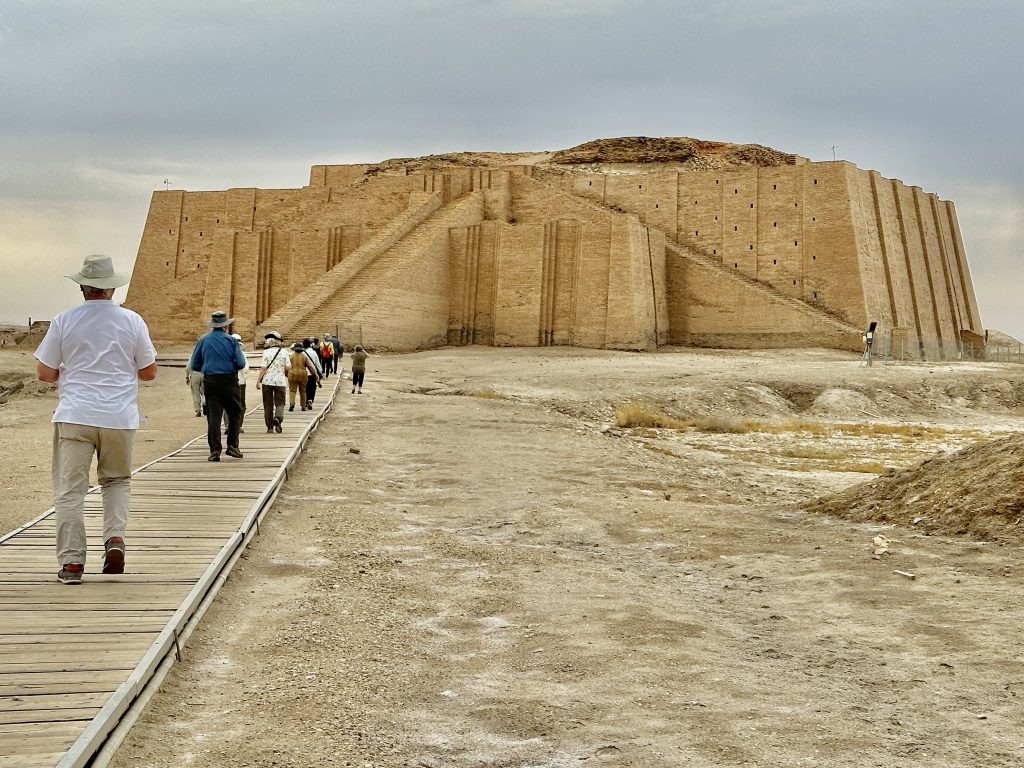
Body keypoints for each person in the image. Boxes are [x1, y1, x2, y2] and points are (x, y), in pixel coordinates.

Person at [34, 254, 158, 584]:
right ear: (111, 289)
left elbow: (45, 373)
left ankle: (72, 563)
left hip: (75, 414)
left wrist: (71, 372)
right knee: (117, 481)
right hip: (118, 416)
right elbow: (148, 372)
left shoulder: (64, 320)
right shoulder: (132, 321)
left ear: (82, 288)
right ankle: (114, 538)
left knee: (70, 491)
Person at [189, 310, 246, 461]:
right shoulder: (232, 341)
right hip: (229, 380)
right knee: (235, 412)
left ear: (213, 326)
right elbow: (241, 363)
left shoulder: (203, 340)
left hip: (210, 381)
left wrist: (208, 367)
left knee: (214, 416)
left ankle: (215, 450)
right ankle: (233, 446)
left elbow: (194, 364)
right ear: (226, 326)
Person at [256, 331, 290, 432]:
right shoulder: (285, 352)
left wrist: (258, 381)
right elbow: (288, 367)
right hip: (280, 381)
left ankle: (269, 427)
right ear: (279, 341)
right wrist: (282, 371)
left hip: (267, 381)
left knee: (267, 404)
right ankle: (278, 418)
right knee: (280, 403)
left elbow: (263, 368)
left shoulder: (266, 352)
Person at [222, 333, 248, 433]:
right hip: (240, 382)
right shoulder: (241, 354)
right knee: (240, 404)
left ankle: (228, 425)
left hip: (226, 381)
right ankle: (237, 425)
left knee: (227, 404)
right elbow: (245, 369)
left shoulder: (224, 352)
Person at [287, 342, 318, 411]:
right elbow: (310, 367)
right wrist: (315, 374)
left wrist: (287, 374)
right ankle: (303, 406)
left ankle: (292, 403)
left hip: (292, 374)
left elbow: (287, 367)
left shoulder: (291, 356)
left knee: (292, 390)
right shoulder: (304, 356)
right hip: (303, 374)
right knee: (303, 390)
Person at [301, 337, 324, 410]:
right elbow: (317, 363)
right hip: (312, 373)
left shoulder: (301, 353)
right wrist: (320, 372)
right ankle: (310, 399)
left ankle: (305, 401)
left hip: (303, 373)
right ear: (310, 345)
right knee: (312, 387)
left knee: (304, 388)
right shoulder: (313, 352)